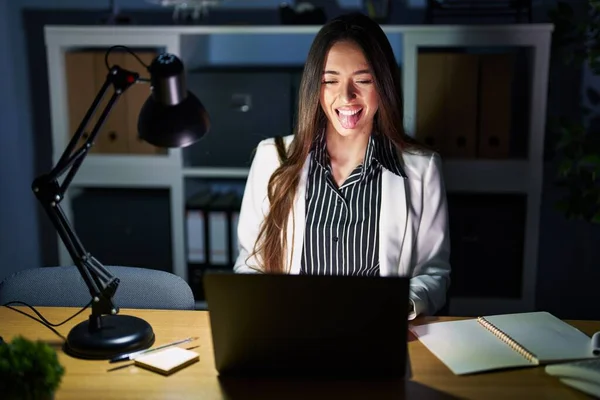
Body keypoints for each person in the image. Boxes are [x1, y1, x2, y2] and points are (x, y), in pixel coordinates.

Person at [233, 12, 450, 320]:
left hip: (377, 334)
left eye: (362, 80)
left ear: (384, 84)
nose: (346, 96)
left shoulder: (422, 169)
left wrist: (402, 304)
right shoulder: (273, 158)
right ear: (314, 87)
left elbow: (434, 273)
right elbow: (249, 266)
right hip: (292, 333)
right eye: (330, 81)